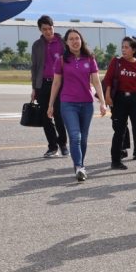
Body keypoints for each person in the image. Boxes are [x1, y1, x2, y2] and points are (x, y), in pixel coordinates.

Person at [46, 29, 107, 181]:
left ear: (81, 40)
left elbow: (96, 81)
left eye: (77, 38)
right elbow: (56, 83)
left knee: (83, 139)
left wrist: (103, 102)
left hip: (87, 104)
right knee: (75, 136)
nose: (75, 41)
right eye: (71, 39)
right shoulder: (61, 60)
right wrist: (51, 104)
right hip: (68, 104)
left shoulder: (90, 59)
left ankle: (80, 166)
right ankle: (79, 167)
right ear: (66, 43)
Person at [102, 36, 136, 171]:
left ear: (133, 50)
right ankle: (115, 161)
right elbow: (108, 80)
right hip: (119, 100)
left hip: (135, 101)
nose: (123, 50)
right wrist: (107, 96)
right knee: (119, 131)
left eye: (126, 47)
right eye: (122, 47)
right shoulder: (116, 62)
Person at [29, 15, 68, 158]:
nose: (48, 32)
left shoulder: (63, 43)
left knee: (58, 115)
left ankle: (63, 144)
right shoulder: (37, 45)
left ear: (53, 26)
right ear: (40, 29)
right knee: (45, 116)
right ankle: (52, 147)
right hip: (43, 84)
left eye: (50, 28)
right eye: (44, 29)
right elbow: (34, 67)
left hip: (60, 84)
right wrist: (34, 88)